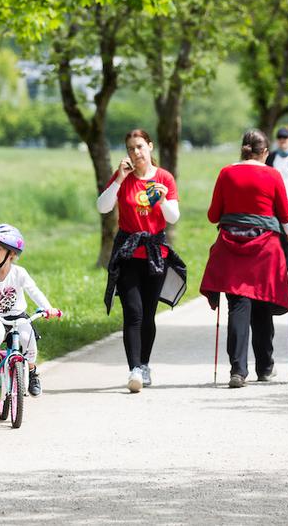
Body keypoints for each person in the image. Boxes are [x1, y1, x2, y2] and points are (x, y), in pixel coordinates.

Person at [202, 130, 288, 388]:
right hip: (264, 251)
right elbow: (287, 219)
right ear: (265, 152)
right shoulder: (272, 175)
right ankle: (265, 367)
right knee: (263, 307)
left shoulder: (226, 173)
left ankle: (237, 370)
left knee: (238, 306)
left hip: (232, 249)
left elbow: (213, 215)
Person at [99, 129, 186, 393]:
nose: (136, 153)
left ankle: (145, 364)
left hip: (154, 254)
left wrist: (160, 200)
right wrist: (118, 179)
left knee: (148, 314)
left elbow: (173, 218)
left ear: (150, 146)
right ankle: (134, 369)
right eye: (130, 148)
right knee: (133, 312)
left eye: (140, 147)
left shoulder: (164, 178)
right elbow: (103, 207)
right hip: (127, 253)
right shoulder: (123, 178)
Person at [0, 224, 55, 397]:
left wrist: (48, 308)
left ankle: (32, 373)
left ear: (12, 254)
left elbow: (34, 291)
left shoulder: (19, 273)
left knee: (27, 337)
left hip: (18, 317)